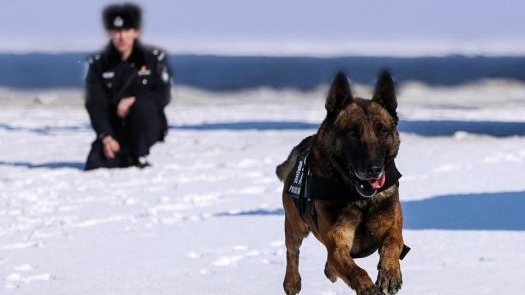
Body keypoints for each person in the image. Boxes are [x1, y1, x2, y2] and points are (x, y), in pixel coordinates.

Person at [84, 3, 171, 170]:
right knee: (96, 164)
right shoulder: (99, 65)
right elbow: (96, 105)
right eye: (116, 32)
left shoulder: (152, 60)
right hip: (117, 128)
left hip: (146, 127)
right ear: (110, 33)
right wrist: (106, 136)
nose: (121, 37)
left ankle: (141, 154)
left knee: (142, 106)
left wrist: (135, 100)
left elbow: (163, 95)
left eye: (126, 31)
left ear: (135, 32)